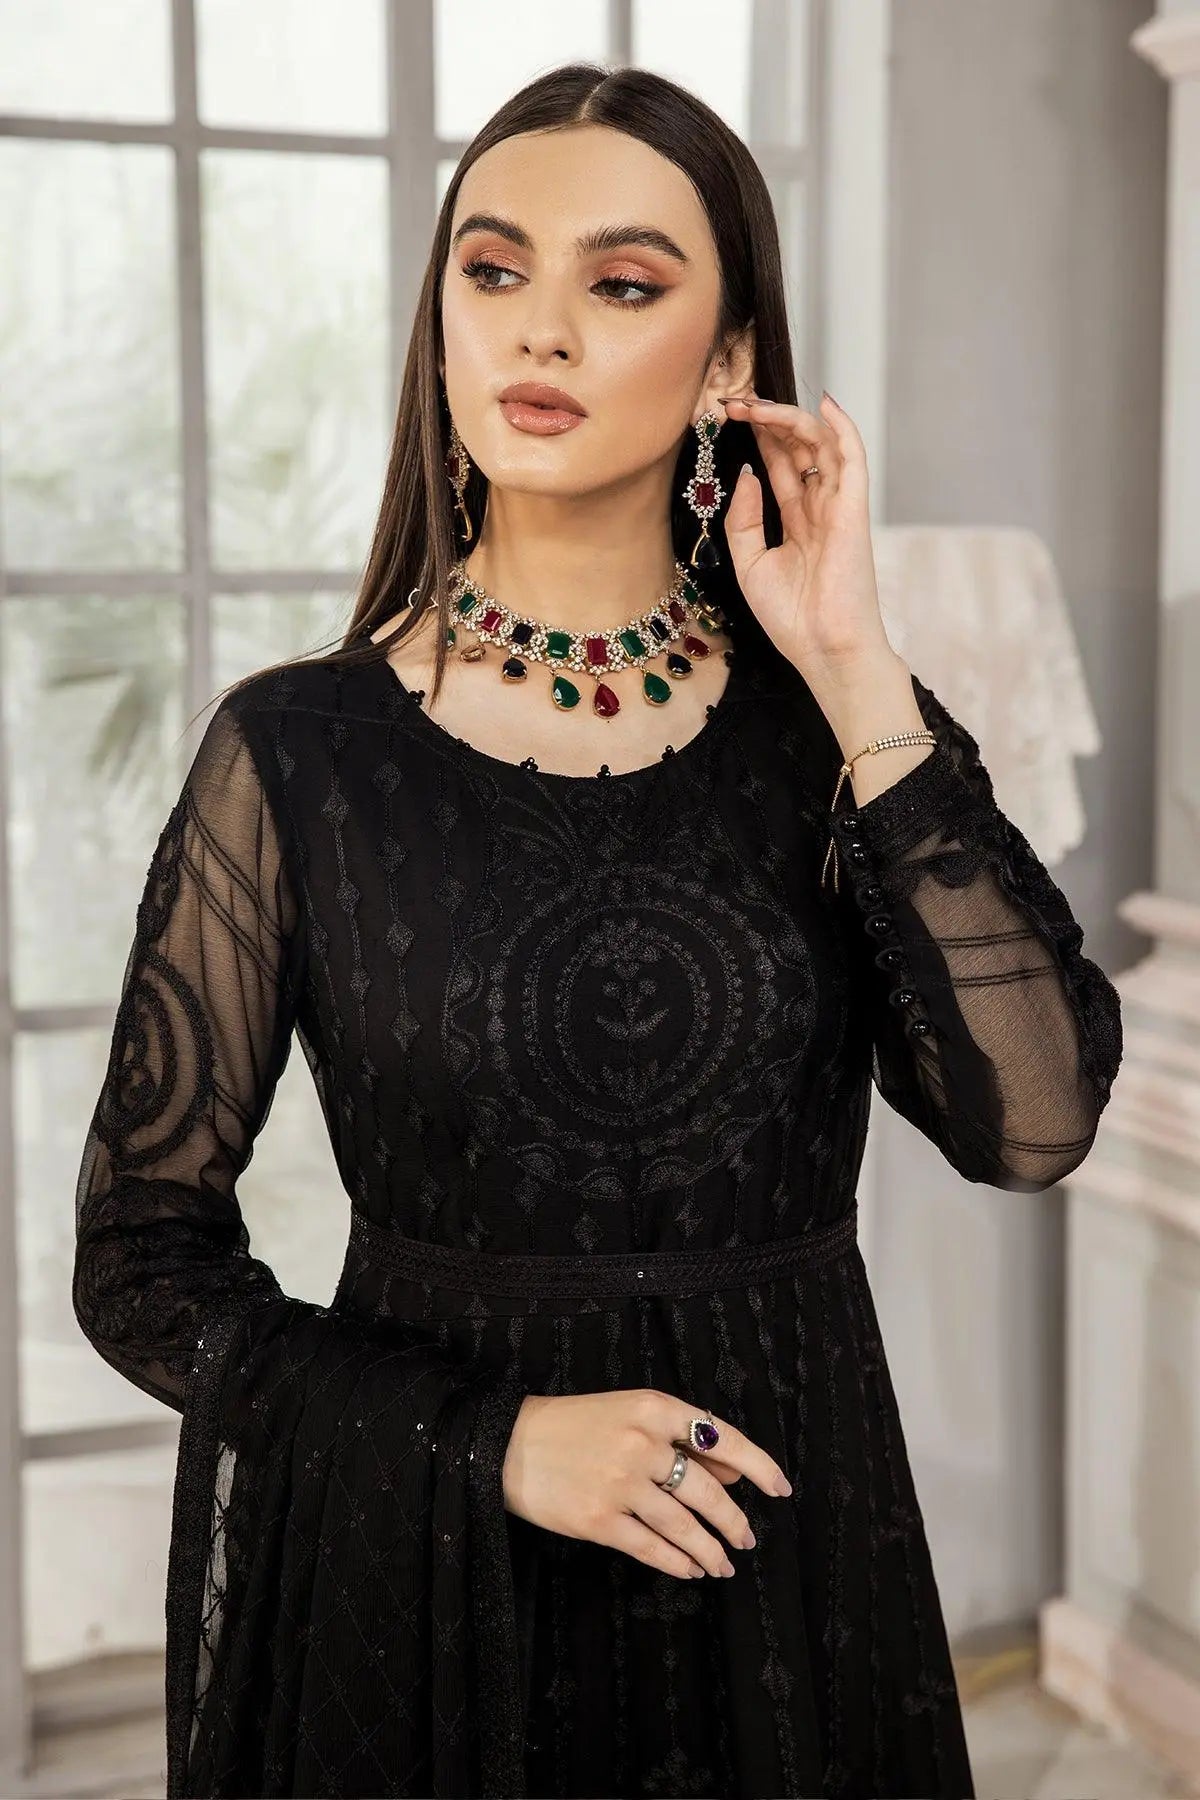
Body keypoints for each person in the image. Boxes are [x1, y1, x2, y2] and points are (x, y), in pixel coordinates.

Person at [72, 60, 1124, 1800]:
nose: (539, 328)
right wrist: (489, 1444)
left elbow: (1035, 1122)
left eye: (622, 285)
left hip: (783, 1575)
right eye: (493, 270)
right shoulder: (299, 755)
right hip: (421, 1591)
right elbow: (138, 1262)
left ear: (727, 363)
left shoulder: (834, 734)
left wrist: (854, 664)